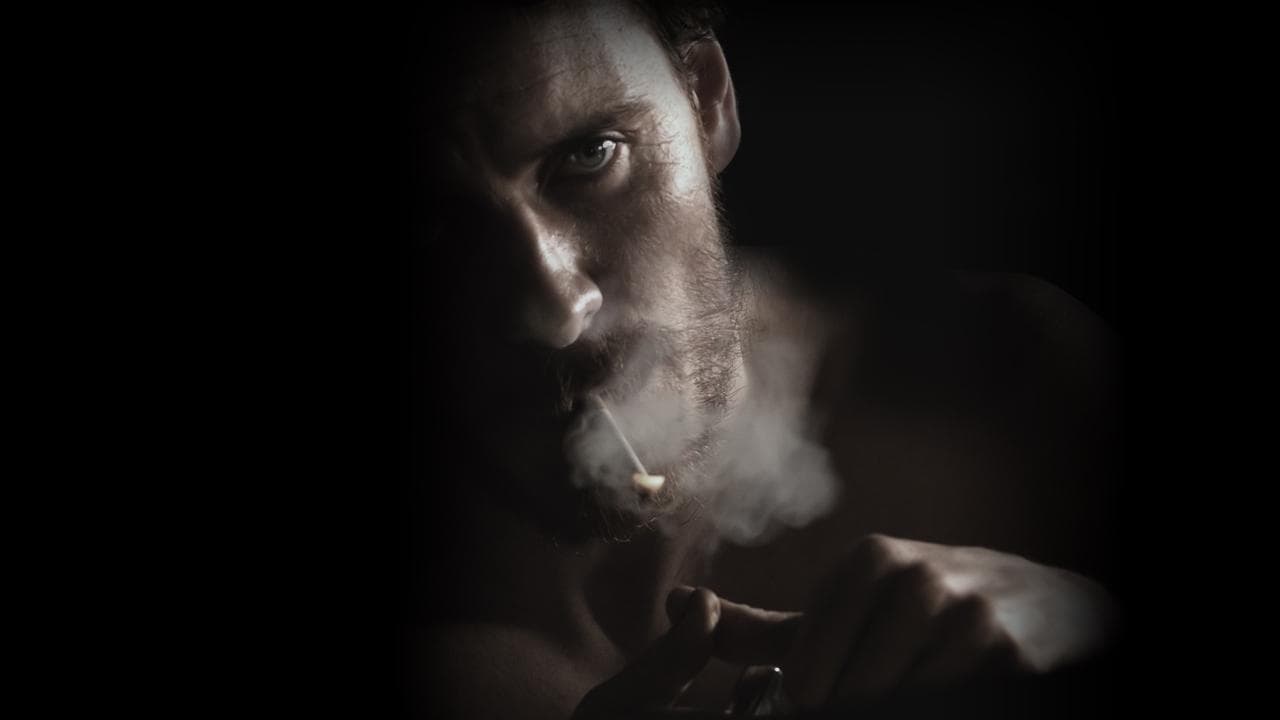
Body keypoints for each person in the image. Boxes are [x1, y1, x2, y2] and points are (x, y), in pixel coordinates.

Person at [406, 1, 1123, 717]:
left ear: (707, 100)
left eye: (591, 154)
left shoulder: (1021, 403)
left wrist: (1088, 627)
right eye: (432, 223)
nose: (556, 309)